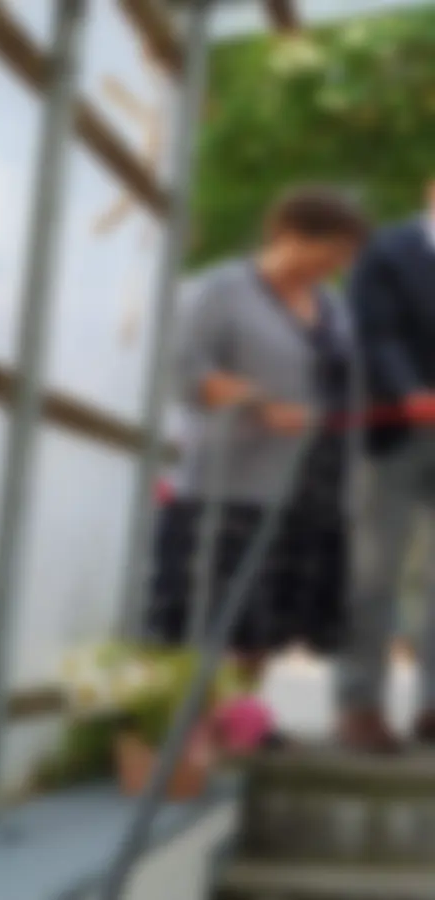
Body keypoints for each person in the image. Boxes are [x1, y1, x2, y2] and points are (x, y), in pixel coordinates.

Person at [146, 187, 367, 726]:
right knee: (210, 615)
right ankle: (182, 728)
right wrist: (259, 404)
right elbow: (181, 370)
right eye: (327, 252)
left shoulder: (332, 307)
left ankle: (235, 722)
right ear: (287, 234)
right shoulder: (222, 291)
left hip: (309, 487)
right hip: (227, 484)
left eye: (342, 257)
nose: (333, 266)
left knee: (267, 621)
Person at [340, 178, 435, 752]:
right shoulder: (387, 252)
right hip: (394, 434)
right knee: (374, 574)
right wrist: (410, 391)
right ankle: (360, 705)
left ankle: (432, 706)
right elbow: (375, 334)